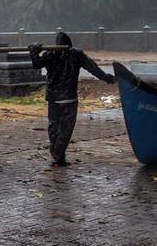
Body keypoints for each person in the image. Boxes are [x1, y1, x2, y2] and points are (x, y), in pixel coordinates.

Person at [29, 32, 115, 167]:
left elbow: (36, 63)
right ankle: (58, 155)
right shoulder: (77, 54)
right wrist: (105, 77)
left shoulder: (51, 53)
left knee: (54, 127)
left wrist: (34, 51)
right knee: (65, 129)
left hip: (54, 98)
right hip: (69, 98)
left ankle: (57, 154)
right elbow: (93, 68)